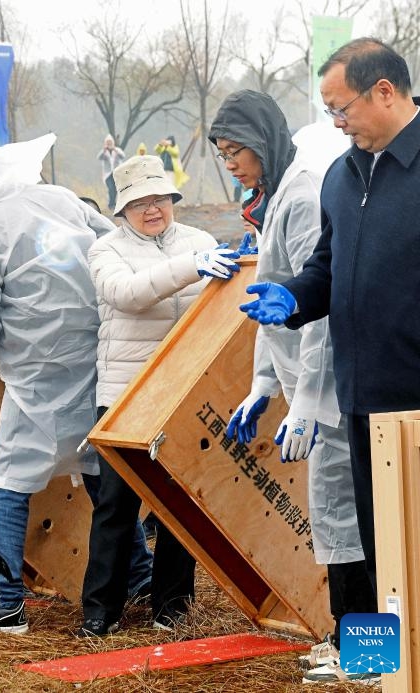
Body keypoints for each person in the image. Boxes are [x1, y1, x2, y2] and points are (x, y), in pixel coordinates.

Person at [239, 38, 420, 683]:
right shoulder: (344, 177)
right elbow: (327, 267)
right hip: (362, 398)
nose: (337, 124)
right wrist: (293, 298)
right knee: (374, 547)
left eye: (342, 109)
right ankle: (377, 665)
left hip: (417, 398)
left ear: (385, 91)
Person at [210, 89, 371, 684]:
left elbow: (320, 305)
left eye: (236, 151)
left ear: (264, 140)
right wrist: (260, 385)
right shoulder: (275, 194)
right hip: (308, 385)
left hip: (332, 390)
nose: (231, 163)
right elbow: (271, 302)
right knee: (336, 525)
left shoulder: (303, 192)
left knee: (351, 526)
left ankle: (364, 653)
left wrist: (305, 401)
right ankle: (346, 641)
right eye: (223, 154)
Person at [0, 134, 107, 635]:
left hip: (35, 363)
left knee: (7, 480)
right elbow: (112, 240)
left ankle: (6, 601)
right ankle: (136, 577)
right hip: (92, 353)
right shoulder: (61, 198)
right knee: (97, 467)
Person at [79, 154, 240, 636]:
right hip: (125, 394)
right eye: (140, 202)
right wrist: (190, 267)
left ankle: (172, 606)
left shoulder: (201, 240)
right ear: (123, 209)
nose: (153, 209)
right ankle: (99, 610)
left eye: (160, 199)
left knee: (179, 500)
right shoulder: (105, 250)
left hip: (184, 393)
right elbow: (127, 293)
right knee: (116, 504)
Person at [97, 135, 126, 210]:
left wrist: (115, 150)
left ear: (113, 143)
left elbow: (123, 156)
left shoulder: (117, 150)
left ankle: (114, 204)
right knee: (110, 188)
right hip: (107, 175)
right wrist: (104, 150)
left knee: (116, 189)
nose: (109, 144)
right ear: (105, 143)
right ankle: (111, 204)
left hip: (116, 173)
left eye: (110, 142)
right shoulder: (104, 152)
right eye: (107, 142)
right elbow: (99, 157)